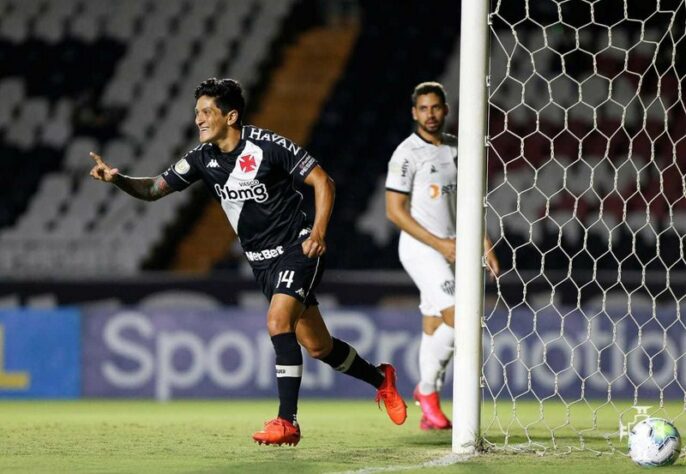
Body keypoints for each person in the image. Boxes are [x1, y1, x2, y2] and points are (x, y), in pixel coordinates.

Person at [88, 77, 407, 446]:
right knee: (317, 346)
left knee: (276, 321)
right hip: (260, 263)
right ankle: (382, 379)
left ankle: (287, 422)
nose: (199, 120)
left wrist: (318, 232)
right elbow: (154, 189)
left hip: (297, 248)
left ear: (231, 115)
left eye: (207, 112)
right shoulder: (201, 158)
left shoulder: (268, 146)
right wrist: (118, 179)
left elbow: (323, 181)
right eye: (197, 113)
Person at [385, 81, 499, 430]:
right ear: (414, 113)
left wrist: (485, 243)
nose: (430, 114)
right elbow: (394, 211)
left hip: (454, 246)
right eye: (423, 108)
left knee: (435, 325)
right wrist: (438, 243)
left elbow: (467, 203)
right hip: (422, 247)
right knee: (461, 318)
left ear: (446, 110)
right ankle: (426, 391)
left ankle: (429, 410)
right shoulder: (406, 154)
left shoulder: (456, 149)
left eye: (436, 107)